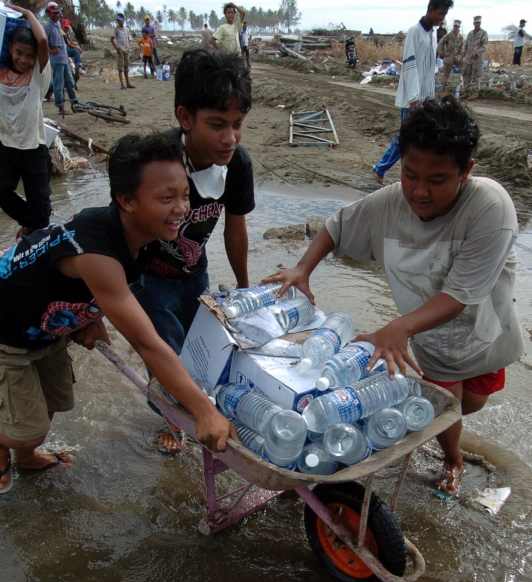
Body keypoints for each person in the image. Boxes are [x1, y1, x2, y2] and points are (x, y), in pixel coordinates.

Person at [264, 97, 525, 497]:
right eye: (409, 174)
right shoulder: (390, 202)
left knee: (471, 403)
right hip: (430, 339)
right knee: (444, 408)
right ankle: (452, 460)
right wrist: (303, 268)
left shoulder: (489, 207)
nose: (419, 191)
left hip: (485, 331)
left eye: (437, 180)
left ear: (466, 172)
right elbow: (338, 225)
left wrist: (395, 326)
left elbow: (459, 295)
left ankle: (447, 437)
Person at [0, 132, 235, 494]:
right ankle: (6, 448)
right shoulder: (97, 249)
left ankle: (26, 455)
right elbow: (146, 342)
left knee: (52, 403)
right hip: (7, 332)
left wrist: (91, 317)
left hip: (45, 330)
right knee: (27, 429)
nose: (182, 209)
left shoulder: (139, 236)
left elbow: (63, 273)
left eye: (185, 194)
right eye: (166, 198)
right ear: (126, 200)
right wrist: (204, 410)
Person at [134, 48, 254, 451]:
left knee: (200, 348)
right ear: (185, 118)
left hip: (193, 271)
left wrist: (244, 289)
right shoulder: (160, 160)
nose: (229, 138)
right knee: (164, 349)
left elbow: (234, 229)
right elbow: (126, 221)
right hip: (148, 275)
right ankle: (173, 421)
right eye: (217, 124)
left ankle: (197, 407)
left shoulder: (237, 165)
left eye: (237, 124)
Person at [372, 0, 453, 185]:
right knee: (406, 137)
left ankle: (417, 173)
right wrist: (414, 98)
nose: (442, 19)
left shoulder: (433, 35)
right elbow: (409, 66)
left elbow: (430, 67)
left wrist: (429, 96)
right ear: (430, 10)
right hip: (413, 99)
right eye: (440, 14)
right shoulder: (415, 32)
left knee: (422, 137)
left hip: (426, 97)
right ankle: (381, 167)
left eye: (444, 15)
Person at [0, 3, 52, 237]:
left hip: (33, 149)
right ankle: (28, 224)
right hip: (5, 146)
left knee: (41, 213)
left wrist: (28, 14)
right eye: (18, 52)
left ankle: (34, 230)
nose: (23, 60)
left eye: (29, 56)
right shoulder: (1, 73)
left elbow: (42, 43)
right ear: (10, 48)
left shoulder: (37, 76)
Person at [43, 1, 77, 116]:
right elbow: (42, 41)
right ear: (48, 13)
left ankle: (74, 104)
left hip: (64, 58)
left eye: (58, 13)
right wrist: (50, 50)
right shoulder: (47, 26)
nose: (57, 15)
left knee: (70, 82)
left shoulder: (57, 24)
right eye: (54, 13)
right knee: (59, 85)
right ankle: (60, 107)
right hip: (57, 60)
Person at [461, 15, 488, 100]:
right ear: (473, 23)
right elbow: (466, 45)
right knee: (466, 74)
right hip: (468, 58)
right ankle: (467, 91)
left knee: (476, 75)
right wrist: (464, 51)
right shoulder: (470, 33)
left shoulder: (483, 33)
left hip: (477, 59)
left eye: (479, 23)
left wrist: (476, 53)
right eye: (476, 23)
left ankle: (475, 92)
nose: (477, 24)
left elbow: (484, 46)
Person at [437, 19, 463, 93]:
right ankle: (443, 89)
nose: (455, 27)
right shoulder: (448, 36)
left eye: (457, 26)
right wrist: (443, 53)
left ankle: (464, 89)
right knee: (445, 75)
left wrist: (459, 56)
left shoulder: (460, 37)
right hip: (449, 58)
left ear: (459, 27)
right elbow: (440, 44)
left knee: (465, 70)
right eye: (454, 26)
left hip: (457, 58)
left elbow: (462, 48)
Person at [110, 12, 135, 90]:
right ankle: (122, 84)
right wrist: (116, 48)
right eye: (118, 20)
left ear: (123, 20)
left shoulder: (126, 29)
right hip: (120, 50)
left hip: (126, 50)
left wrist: (129, 47)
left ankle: (128, 83)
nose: (119, 22)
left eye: (120, 20)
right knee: (120, 68)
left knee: (126, 68)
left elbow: (127, 39)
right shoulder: (116, 29)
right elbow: (111, 39)